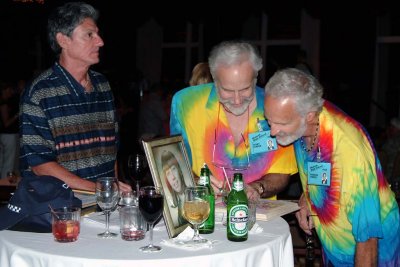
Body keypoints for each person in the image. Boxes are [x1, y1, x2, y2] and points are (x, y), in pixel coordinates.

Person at [264, 68, 399, 266]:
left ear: (309, 116)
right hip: (335, 246)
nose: (273, 131)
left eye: (281, 123)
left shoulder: (348, 151)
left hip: (373, 254)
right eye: (269, 120)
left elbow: (368, 237)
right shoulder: (301, 118)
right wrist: (307, 199)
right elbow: (318, 171)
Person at [19, 2, 131, 192]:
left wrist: (111, 197)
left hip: (103, 203)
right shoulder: (39, 92)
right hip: (58, 209)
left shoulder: (102, 85)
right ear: (63, 40)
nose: (100, 41)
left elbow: (111, 151)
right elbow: (40, 165)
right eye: (89, 35)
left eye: (97, 34)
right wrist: (99, 189)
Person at [170, 40, 297, 200]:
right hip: (202, 211)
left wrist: (257, 188)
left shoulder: (274, 106)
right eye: (227, 90)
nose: (237, 100)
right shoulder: (186, 103)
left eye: (245, 89)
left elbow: (282, 172)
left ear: (256, 78)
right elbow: (175, 163)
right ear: (215, 80)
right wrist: (196, 181)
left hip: (259, 216)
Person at [161, 149, 187, 227]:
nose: (173, 178)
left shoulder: (192, 196)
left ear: (179, 170)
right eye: (168, 173)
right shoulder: (177, 203)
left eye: (174, 169)